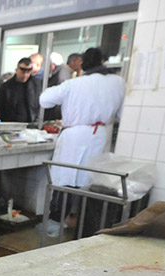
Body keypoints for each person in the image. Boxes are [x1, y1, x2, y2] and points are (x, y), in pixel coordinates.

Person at [39, 47, 124, 188]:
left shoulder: (74, 83)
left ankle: (64, 207)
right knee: (90, 179)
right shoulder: (118, 82)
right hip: (101, 134)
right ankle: (78, 208)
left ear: (83, 63)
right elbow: (121, 115)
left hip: (74, 136)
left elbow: (44, 100)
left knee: (66, 179)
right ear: (103, 61)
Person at [0, 57, 42, 123]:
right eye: (22, 72)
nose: (25, 75)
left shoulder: (36, 85)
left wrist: (37, 120)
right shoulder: (6, 87)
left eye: (28, 72)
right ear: (16, 70)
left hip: (31, 123)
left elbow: (39, 105)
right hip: (10, 124)